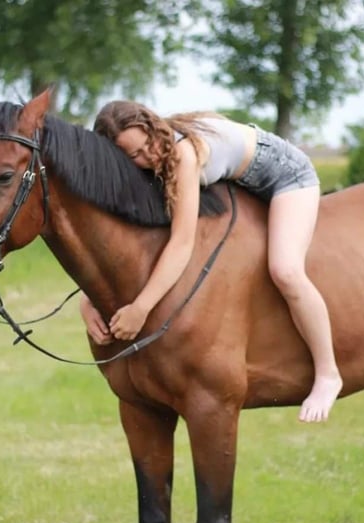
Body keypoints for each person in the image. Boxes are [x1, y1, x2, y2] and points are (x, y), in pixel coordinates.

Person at [79, 100, 342, 422]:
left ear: (151, 127)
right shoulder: (153, 160)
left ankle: (328, 374)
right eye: (134, 156)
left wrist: (141, 308)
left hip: (286, 177)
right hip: (240, 179)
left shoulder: (182, 156)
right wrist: (88, 300)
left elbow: (181, 243)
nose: (148, 156)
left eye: (147, 145)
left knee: (285, 270)